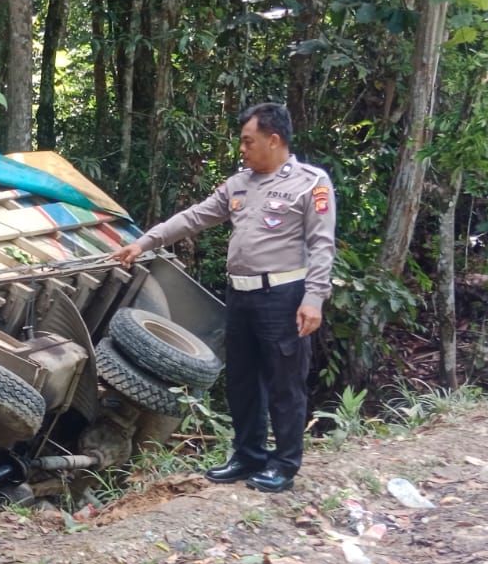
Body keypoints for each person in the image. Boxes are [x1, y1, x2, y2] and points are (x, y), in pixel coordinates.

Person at [114, 103, 336, 493]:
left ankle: (284, 463)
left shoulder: (310, 183)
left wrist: (314, 298)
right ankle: (248, 454)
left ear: (274, 139)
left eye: (249, 141)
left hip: (284, 295)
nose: (243, 149)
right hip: (241, 296)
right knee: (242, 381)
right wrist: (145, 241)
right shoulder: (239, 184)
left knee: (285, 382)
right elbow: (195, 216)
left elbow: (321, 245)